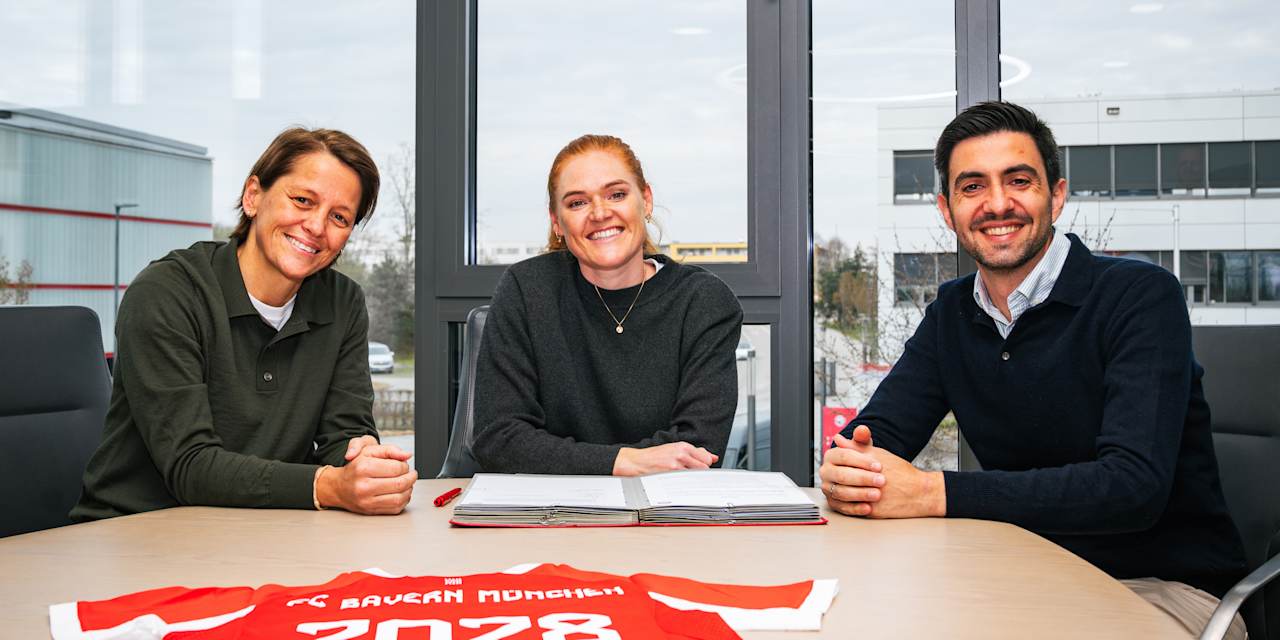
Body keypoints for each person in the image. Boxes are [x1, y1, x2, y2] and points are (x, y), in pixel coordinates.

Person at [818, 102, 1248, 638]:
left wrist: (933, 492)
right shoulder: (953, 312)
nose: (998, 204)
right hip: (1014, 573)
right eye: (972, 187)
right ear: (947, 211)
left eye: (1018, 180)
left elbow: (1132, 487)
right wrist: (849, 467)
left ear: (1057, 196)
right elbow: (875, 436)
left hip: (1160, 587)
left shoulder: (1139, 296)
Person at [72, 128, 417, 521]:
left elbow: (344, 434)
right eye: (303, 200)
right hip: (137, 534)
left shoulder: (344, 302)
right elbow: (190, 466)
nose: (317, 227)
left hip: (264, 529)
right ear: (253, 196)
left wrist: (365, 461)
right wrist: (327, 485)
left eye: (339, 217)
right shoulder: (167, 293)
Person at [470, 134, 742, 475]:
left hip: (666, 516)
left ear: (646, 200)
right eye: (577, 203)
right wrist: (620, 461)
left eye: (616, 194)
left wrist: (569, 458)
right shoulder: (527, 289)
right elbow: (497, 439)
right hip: (551, 515)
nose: (600, 213)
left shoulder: (703, 301)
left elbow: (699, 447)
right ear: (557, 221)